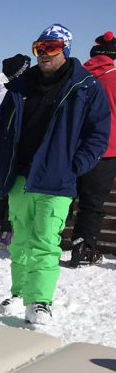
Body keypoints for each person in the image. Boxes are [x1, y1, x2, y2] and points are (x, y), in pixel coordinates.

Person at [0, 24, 110, 325]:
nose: (43, 54)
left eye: (51, 48)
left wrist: (74, 165)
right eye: (38, 48)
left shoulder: (85, 86)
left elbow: (99, 133)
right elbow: (1, 128)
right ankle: (19, 292)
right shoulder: (21, 87)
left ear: (66, 50)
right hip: (20, 178)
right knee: (20, 241)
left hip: (57, 180)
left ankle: (40, 301)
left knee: (45, 242)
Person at [70, 31, 116, 267]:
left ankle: (45, 242)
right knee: (92, 204)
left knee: (62, 197)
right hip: (105, 152)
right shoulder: (114, 78)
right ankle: (83, 249)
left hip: (71, 149)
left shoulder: (77, 76)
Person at [0, 54, 32, 247]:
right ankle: (9, 231)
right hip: (25, 152)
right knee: (18, 191)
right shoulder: (30, 91)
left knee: (5, 187)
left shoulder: (7, 93)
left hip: (6, 151)